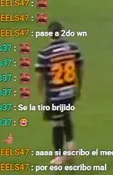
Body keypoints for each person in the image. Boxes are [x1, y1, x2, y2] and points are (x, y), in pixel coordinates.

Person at [36, 22, 82, 166]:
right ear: (62, 32)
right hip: (70, 91)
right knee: (66, 114)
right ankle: (71, 143)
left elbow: (40, 76)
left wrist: (40, 93)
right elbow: (79, 68)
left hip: (55, 95)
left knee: (57, 124)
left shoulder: (45, 53)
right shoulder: (73, 48)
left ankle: (59, 156)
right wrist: (78, 87)